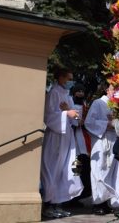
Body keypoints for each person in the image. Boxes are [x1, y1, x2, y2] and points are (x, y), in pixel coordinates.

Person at [40, 67, 83, 218]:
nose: (70, 82)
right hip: (55, 136)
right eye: (68, 78)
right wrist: (66, 113)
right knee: (52, 169)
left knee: (64, 170)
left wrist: (72, 114)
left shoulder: (67, 94)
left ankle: (58, 203)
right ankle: (48, 205)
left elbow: (76, 117)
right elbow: (49, 115)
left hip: (67, 136)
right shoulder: (53, 93)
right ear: (60, 78)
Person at [85, 83, 119, 215]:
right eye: (113, 89)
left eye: (118, 90)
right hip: (101, 140)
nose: (115, 92)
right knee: (99, 170)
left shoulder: (118, 105)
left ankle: (110, 201)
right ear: (107, 90)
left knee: (112, 172)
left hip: (114, 140)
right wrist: (106, 124)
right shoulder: (98, 103)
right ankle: (98, 203)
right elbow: (89, 122)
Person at [71, 84, 92, 199]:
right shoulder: (71, 104)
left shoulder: (84, 105)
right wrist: (79, 122)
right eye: (78, 91)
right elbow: (74, 121)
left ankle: (83, 192)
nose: (80, 94)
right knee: (74, 167)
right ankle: (73, 196)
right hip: (73, 139)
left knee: (83, 166)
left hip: (83, 139)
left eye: (82, 91)